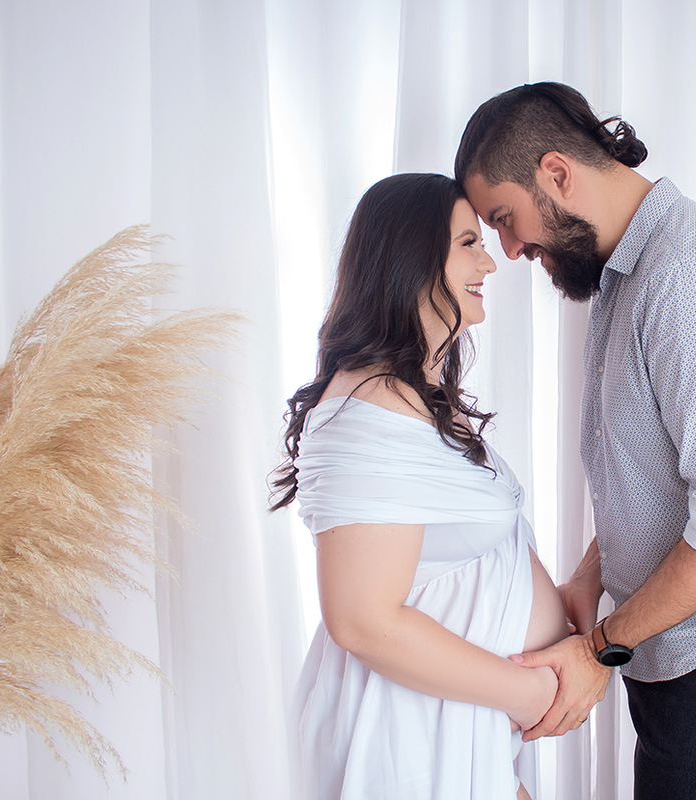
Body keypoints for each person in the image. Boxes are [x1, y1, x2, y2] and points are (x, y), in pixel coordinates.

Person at [455, 83, 696, 800]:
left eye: (505, 220)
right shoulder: (631, 276)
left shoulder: (691, 277)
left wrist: (598, 648)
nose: (510, 250)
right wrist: (590, 576)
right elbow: (663, 478)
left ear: (555, 173)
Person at [270, 173, 570, 800]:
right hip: (405, 731)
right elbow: (362, 621)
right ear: (410, 260)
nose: (490, 260)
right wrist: (529, 693)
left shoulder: (413, 398)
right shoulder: (368, 413)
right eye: (468, 242)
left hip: (453, 721)